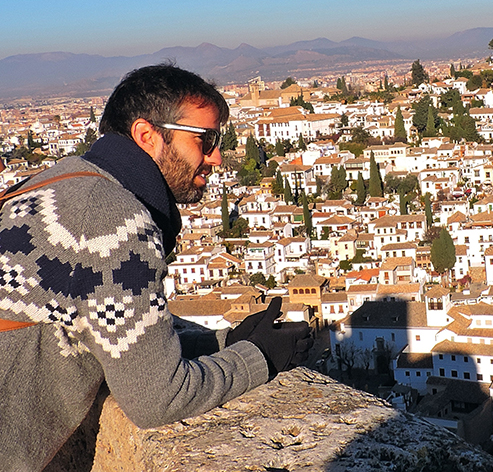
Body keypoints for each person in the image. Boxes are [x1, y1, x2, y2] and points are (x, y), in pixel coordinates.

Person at [0, 63, 312, 471]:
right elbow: (159, 397)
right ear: (148, 136)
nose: (217, 157)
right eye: (206, 139)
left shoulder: (56, 183)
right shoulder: (113, 220)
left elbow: (106, 336)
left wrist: (220, 343)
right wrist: (260, 357)